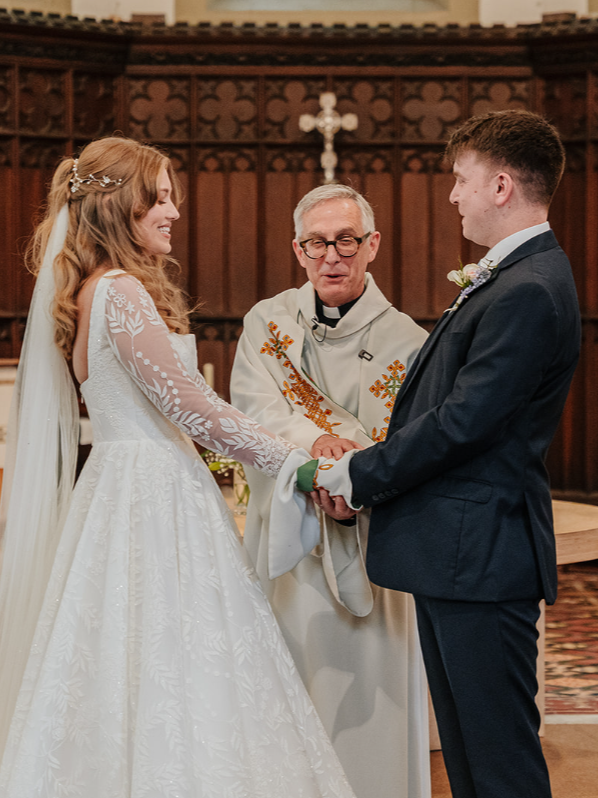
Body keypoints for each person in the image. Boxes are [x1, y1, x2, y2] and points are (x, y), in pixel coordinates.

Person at [0, 136, 358, 798]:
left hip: (119, 489)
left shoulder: (88, 291)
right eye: (159, 198)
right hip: (153, 493)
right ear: (119, 208)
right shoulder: (121, 292)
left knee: (129, 659)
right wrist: (298, 465)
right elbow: (193, 408)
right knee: (176, 655)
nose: (172, 212)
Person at [303, 110, 581, 798]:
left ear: (502, 185)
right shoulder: (515, 276)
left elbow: (464, 423)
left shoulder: (529, 288)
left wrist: (359, 472)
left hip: (482, 557)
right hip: (462, 556)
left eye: (462, 179)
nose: (453, 194)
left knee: (500, 765)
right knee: (468, 757)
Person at [230, 184, 431, 798]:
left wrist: (355, 477)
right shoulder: (266, 323)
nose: (331, 256)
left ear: (372, 245)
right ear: (298, 249)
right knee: (291, 695)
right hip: (290, 541)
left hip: (371, 544)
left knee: (369, 712)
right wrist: (318, 457)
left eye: (346, 240)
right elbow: (251, 408)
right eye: (317, 243)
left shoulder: (411, 342)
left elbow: (414, 438)